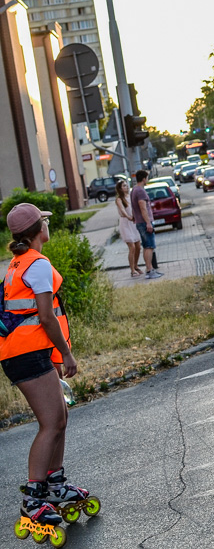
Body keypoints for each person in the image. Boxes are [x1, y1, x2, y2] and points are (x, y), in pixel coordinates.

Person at [2, 204, 99, 544]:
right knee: (51, 423)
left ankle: (55, 483)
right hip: (25, 354)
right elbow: (45, 316)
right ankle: (33, 500)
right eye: (44, 221)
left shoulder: (18, 263)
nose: (48, 224)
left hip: (26, 351)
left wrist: (52, 356)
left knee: (60, 418)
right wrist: (66, 354)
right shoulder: (38, 264)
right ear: (37, 229)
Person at [129, 170, 163, 280]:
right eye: (147, 178)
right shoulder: (140, 191)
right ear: (144, 179)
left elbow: (133, 207)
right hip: (144, 222)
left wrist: (135, 217)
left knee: (146, 246)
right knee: (149, 246)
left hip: (139, 222)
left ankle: (150, 268)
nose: (147, 180)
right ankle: (149, 270)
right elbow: (142, 207)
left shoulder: (134, 190)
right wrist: (148, 222)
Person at [115, 180, 142, 278]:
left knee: (138, 246)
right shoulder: (119, 199)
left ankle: (136, 265)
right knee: (132, 247)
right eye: (124, 186)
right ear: (120, 188)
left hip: (133, 223)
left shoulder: (130, 197)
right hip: (125, 223)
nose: (126, 187)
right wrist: (128, 217)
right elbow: (122, 210)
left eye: (126, 185)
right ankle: (132, 270)